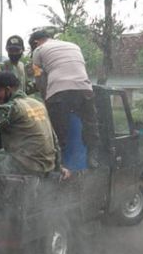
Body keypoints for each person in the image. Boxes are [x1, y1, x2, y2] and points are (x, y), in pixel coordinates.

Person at [29, 29, 100, 167]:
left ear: (36, 42)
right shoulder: (73, 46)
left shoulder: (38, 50)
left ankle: (58, 164)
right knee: (91, 124)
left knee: (58, 131)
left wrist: (45, 100)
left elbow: (39, 79)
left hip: (59, 92)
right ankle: (92, 157)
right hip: (85, 89)